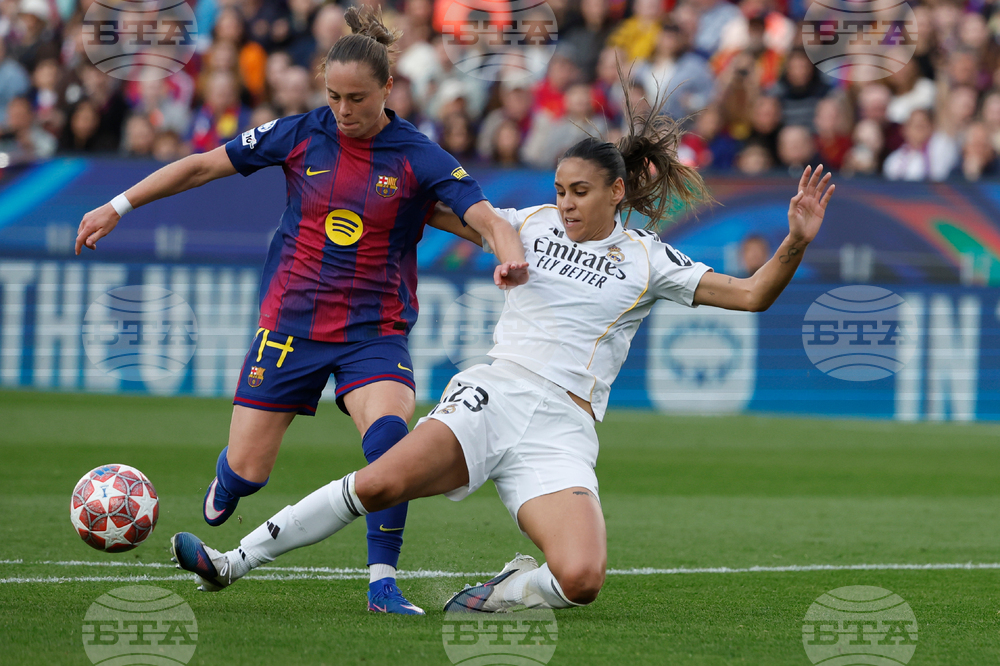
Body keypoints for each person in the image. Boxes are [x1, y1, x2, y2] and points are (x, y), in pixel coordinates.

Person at [168, 75, 835, 614]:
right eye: (560, 191)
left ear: (618, 191)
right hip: (495, 393)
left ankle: (503, 592)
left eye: (580, 192)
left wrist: (796, 242)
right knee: (378, 483)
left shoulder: (650, 259)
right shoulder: (528, 224)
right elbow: (420, 203)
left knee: (581, 579)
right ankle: (231, 564)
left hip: (564, 429)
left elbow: (751, 295)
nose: (567, 204)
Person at [74, 5, 527, 616]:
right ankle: (230, 479)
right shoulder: (299, 134)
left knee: (392, 449)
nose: (344, 111)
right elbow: (205, 165)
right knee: (250, 469)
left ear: (389, 89)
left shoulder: (418, 156)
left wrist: (508, 256)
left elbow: (483, 217)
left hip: (374, 332)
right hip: (291, 326)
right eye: (335, 96)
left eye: (358, 99)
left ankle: (382, 583)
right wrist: (117, 205)